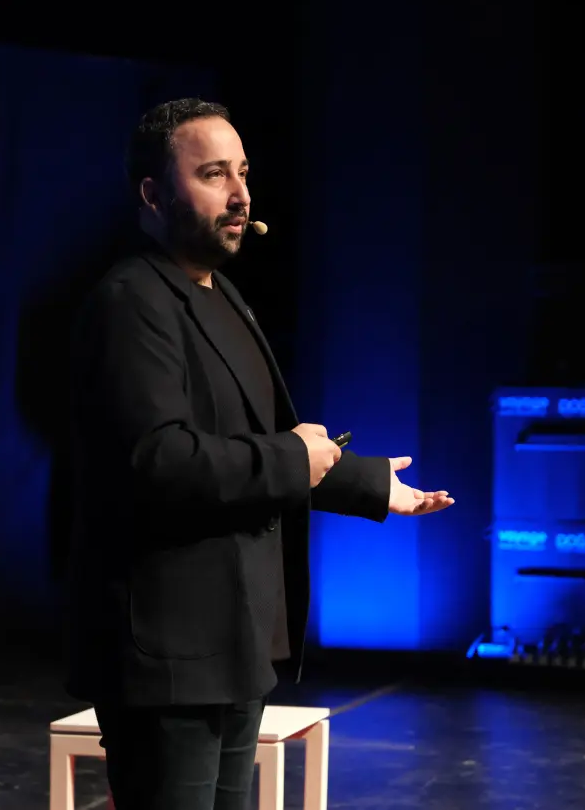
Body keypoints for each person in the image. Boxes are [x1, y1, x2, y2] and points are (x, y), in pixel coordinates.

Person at [65, 98, 454, 810]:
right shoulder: (132, 302)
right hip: (170, 657)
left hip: (234, 642)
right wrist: (293, 457)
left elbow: (263, 439)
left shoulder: (222, 297)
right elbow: (160, 460)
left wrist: (367, 484)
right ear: (152, 194)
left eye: (243, 172)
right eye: (214, 174)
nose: (241, 194)